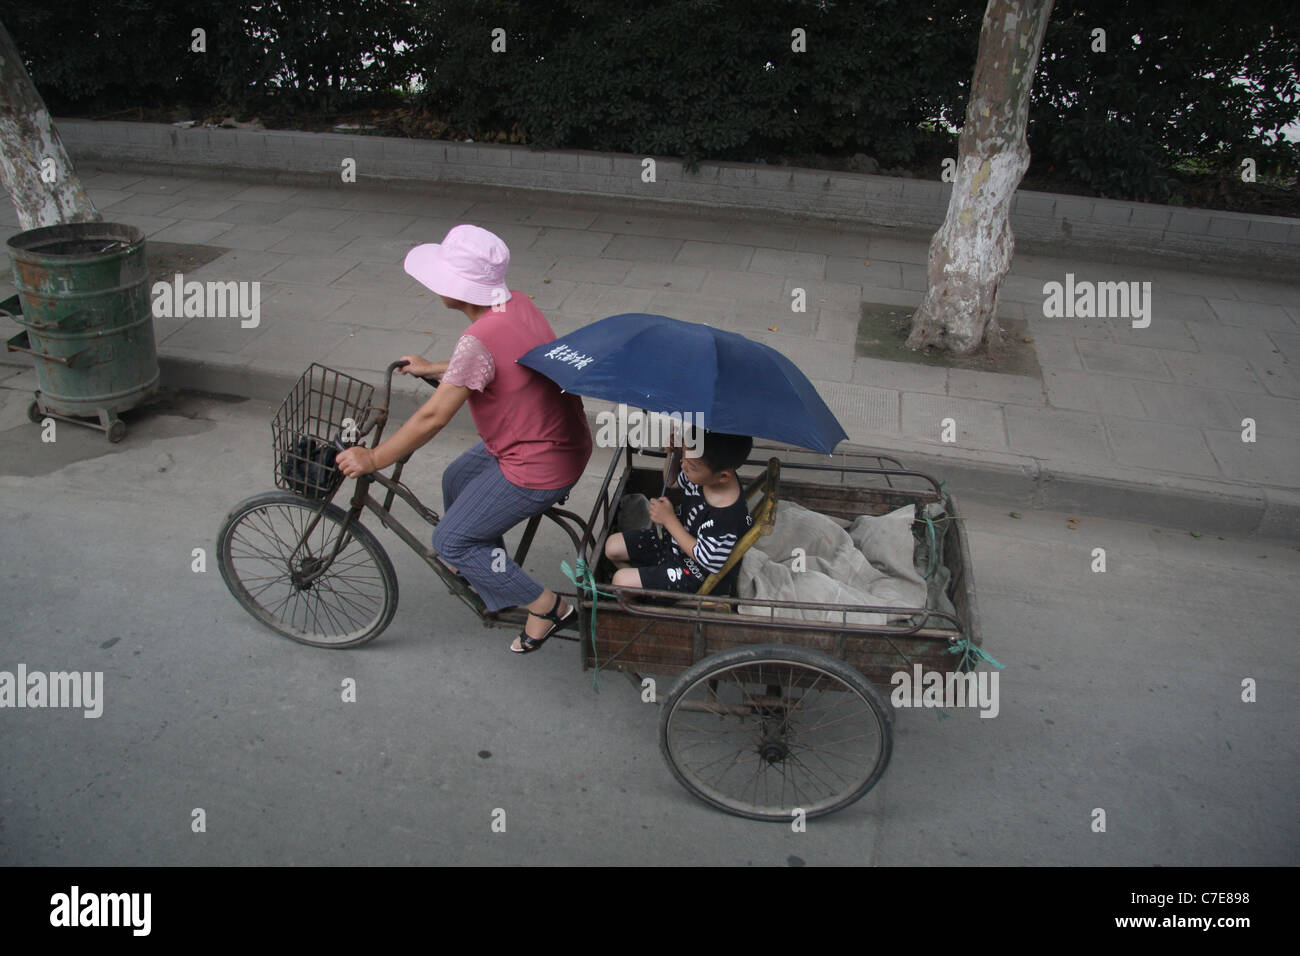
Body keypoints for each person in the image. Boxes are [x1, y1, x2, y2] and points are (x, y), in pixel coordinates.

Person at [335, 224, 592, 654]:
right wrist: (433, 368)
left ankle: (548, 608)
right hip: (553, 440)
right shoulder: (517, 305)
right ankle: (486, 567)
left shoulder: (478, 339)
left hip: (537, 463)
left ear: (459, 290)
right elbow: (493, 362)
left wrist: (374, 458)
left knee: (450, 541)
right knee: (457, 478)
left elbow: (433, 417)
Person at [605, 429, 753, 597]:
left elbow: (707, 561)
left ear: (723, 476)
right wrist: (673, 455)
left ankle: (645, 599)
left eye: (690, 466)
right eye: (683, 458)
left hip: (696, 572)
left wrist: (669, 521)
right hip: (675, 542)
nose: (684, 466)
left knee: (620, 581)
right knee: (612, 546)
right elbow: (672, 481)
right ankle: (646, 587)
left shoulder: (727, 517)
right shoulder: (703, 475)